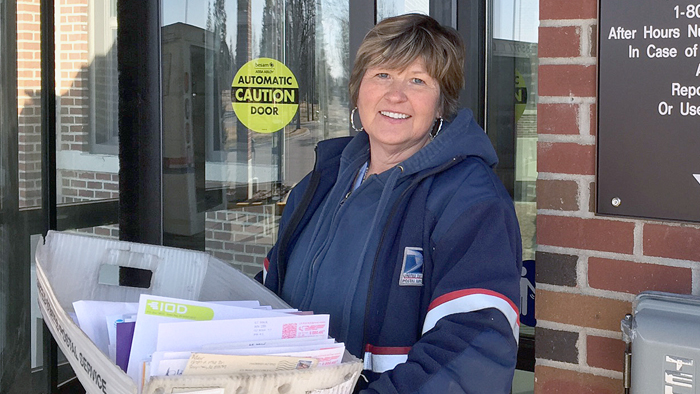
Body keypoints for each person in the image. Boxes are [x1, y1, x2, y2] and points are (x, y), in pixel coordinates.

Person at [262, 13, 522, 393]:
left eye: (417, 80)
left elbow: (475, 347)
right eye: (382, 74)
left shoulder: (470, 198)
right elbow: (269, 293)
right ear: (359, 90)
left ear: (440, 105)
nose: (395, 94)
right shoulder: (319, 184)